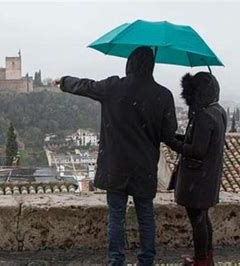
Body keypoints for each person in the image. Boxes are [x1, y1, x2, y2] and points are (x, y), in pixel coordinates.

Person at [55, 46, 181, 265]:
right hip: (144, 167)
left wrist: (64, 81)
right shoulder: (163, 95)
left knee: (116, 216)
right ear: (151, 66)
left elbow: (86, 86)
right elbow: (169, 135)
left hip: (116, 165)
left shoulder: (114, 87)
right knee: (145, 216)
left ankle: (116, 260)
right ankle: (146, 260)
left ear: (129, 64)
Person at [173, 72, 226, 265]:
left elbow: (196, 150)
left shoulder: (204, 116)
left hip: (197, 180)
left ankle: (200, 260)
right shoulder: (218, 111)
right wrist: (180, 138)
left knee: (197, 220)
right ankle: (207, 257)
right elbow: (202, 142)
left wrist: (172, 142)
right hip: (209, 177)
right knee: (203, 218)